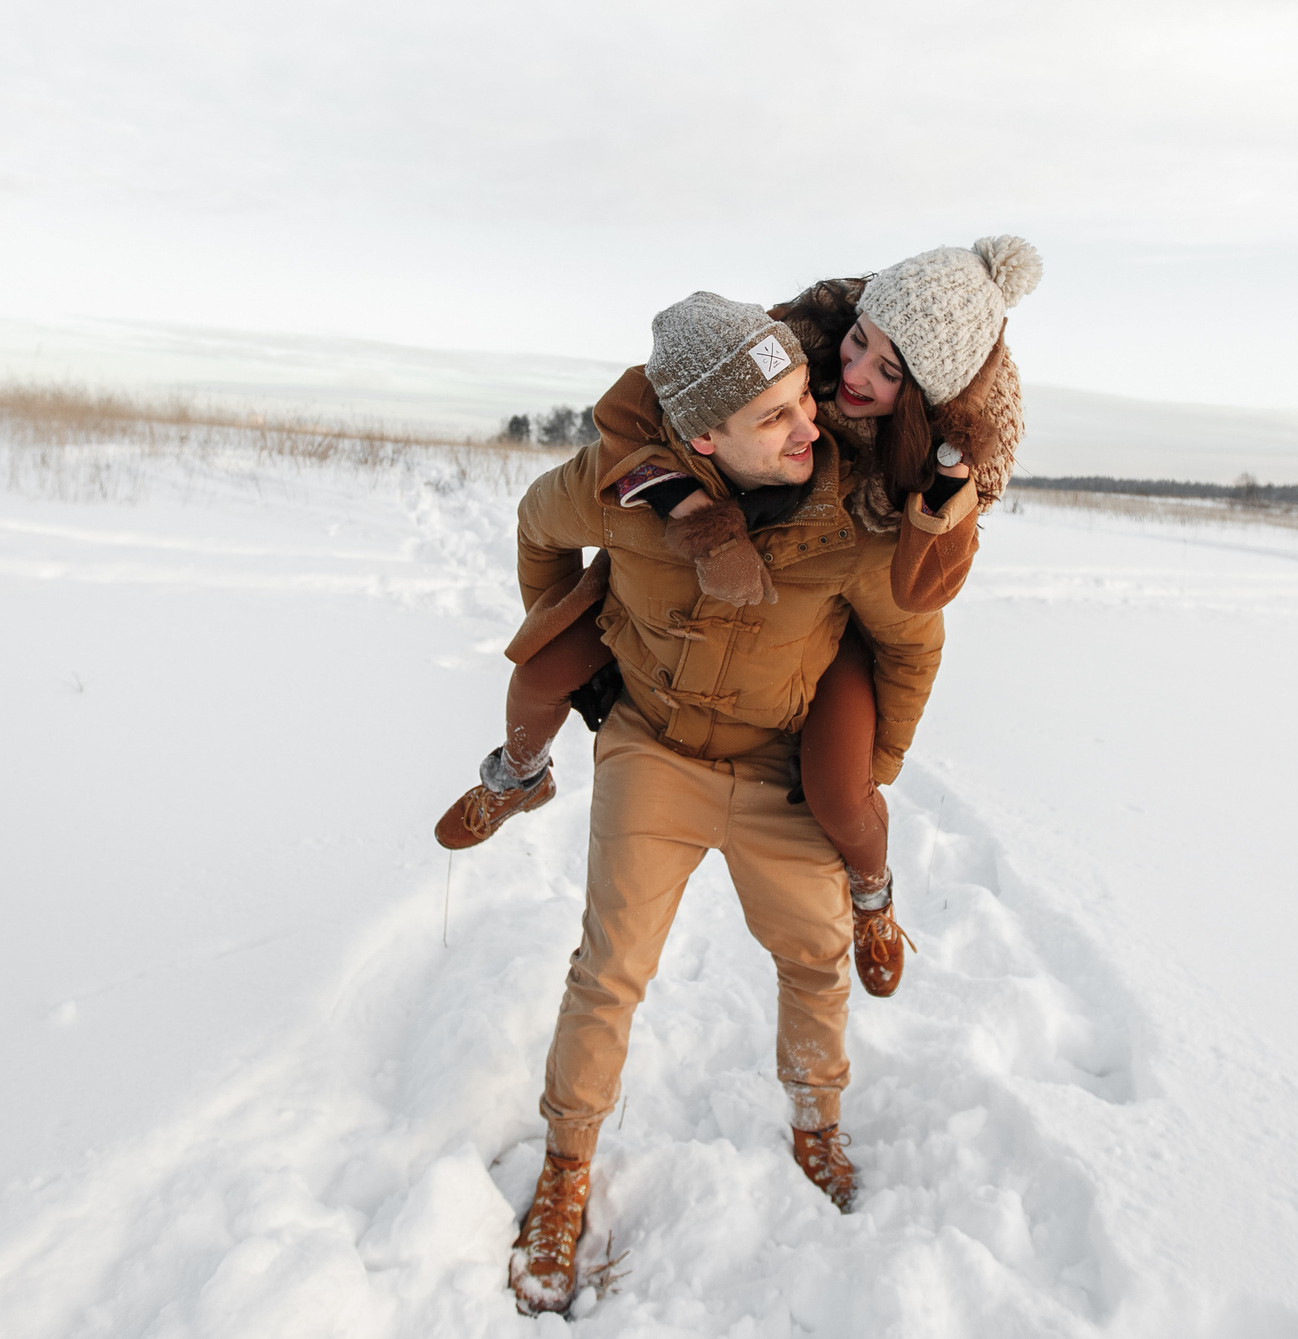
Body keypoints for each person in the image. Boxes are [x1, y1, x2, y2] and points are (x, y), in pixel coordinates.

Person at [493, 289, 948, 1316]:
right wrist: (574, 635)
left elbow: (912, 639)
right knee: (608, 971)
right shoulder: (620, 490)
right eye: (776, 417)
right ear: (702, 434)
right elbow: (536, 525)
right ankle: (566, 1170)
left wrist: (870, 766)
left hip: (779, 769)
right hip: (652, 753)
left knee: (814, 955)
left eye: (804, 398)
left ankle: (814, 1119)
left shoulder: (854, 517)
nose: (810, 425)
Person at [437, 238, 1040, 1002]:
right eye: (859, 342)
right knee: (541, 669)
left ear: (926, 395)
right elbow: (644, 409)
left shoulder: (944, 459)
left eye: (888, 372)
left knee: (839, 794)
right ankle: (518, 775)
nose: (853, 375)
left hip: (842, 617)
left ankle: (872, 891)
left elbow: (919, 619)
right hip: (699, 591)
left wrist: (874, 764)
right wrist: (688, 506)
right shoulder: (790, 345)